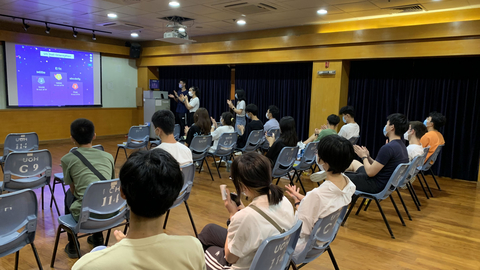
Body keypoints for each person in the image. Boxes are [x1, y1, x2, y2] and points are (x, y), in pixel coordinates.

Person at [72, 150, 206, 270]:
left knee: (99, 249)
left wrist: (125, 249)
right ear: (176, 195)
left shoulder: (87, 265)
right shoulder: (193, 249)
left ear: (122, 192)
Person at [197, 152, 296, 270]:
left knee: (205, 252)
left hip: (248, 265)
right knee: (210, 230)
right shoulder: (284, 201)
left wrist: (233, 215)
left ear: (243, 186)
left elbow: (230, 258)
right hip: (273, 259)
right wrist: (244, 211)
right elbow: (263, 221)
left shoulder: (245, 217)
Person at [284, 135, 356, 256]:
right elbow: (327, 205)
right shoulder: (350, 185)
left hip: (303, 247)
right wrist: (302, 198)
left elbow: (301, 230)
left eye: (318, 152)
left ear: (324, 163)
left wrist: (297, 203)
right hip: (325, 240)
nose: (316, 154)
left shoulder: (316, 195)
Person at [61, 118, 115, 258]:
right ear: (94, 136)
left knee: (68, 194)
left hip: (86, 215)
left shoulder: (67, 159)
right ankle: (98, 238)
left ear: (72, 138)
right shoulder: (108, 156)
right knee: (98, 192)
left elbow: (73, 191)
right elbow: (110, 184)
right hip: (110, 210)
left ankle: (73, 245)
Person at [344, 113, 409, 193]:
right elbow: (381, 165)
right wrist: (368, 157)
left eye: (387, 124)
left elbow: (370, 173)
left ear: (392, 127)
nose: (385, 126)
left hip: (375, 185)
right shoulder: (402, 146)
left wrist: (363, 157)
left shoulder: (388, 148)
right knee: (354, 162)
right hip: (384, 183)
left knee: (338, 177)